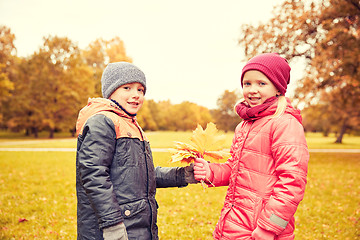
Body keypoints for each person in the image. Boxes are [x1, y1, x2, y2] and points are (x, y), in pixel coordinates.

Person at [75, 62, 197, 240]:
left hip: (136, 226)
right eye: (127, 88)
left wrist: (182, 175)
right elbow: (94, 175)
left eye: (141, 90)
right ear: (111, 91)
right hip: (114, 228)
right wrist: (112, 225)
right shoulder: (102, 121)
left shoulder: (131, 125)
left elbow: (141, 174)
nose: (136, 95)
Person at [194, 53, 309, 240]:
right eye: (247, 83)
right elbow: (236, 168)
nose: (252, 90)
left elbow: (292, 181)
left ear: (278, 88)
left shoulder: (285, 124)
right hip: (235, 222)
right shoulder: (244, 125)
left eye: (261, 83)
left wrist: (269, 227)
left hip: (261, 228)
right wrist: (210, 172)